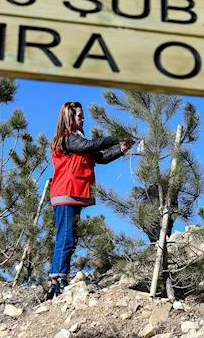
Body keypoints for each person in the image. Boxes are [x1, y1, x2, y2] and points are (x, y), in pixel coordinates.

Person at [46, 101, 133, 300]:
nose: (83, 119)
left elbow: (99, 157)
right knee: (66, 238)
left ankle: (57, 281)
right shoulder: (67, 139)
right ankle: (58, 280)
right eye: (79, 116)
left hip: (73, 194)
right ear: (70, 118)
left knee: (69, 238)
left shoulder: (78, 141)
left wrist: (122, 148)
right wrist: (117, 136)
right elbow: (92, 146)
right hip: (66, 193)